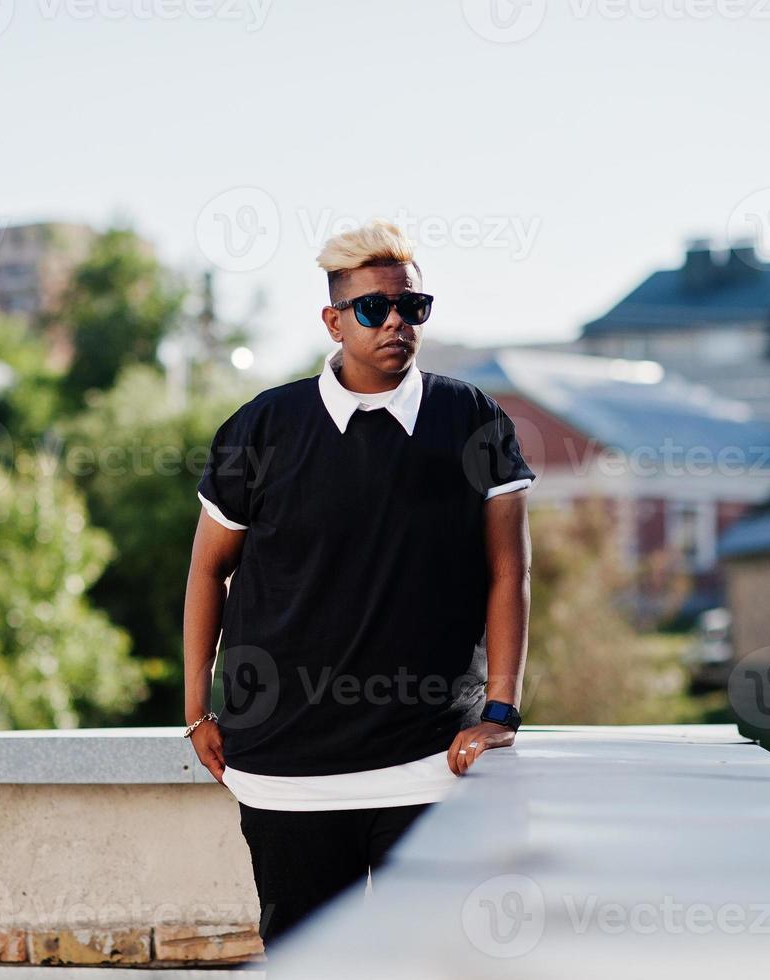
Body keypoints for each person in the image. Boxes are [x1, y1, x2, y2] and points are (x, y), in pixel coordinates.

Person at [182, 218, 535, 955]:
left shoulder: (470, 420)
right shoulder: (262, 428)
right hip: (285, 768)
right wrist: (194, 712)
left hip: (429, 764)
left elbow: (510, 571)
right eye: (375, 309)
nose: (398, 323)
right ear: (334, 321)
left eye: (414, 307)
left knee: (442, 966)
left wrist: (501, 709)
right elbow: (208, 568)